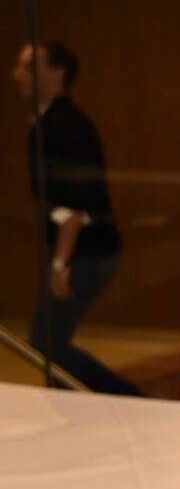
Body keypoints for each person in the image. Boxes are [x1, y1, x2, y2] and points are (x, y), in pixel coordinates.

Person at [12, 41, 141, 396]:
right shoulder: (52, 122)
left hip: (85, 252)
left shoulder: (63, 125)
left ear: (57, 73)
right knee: (48, 343)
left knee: (47, 344)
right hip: (82, 250)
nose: (17, 75)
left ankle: (128, 399)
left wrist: (59, 264)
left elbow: (73, 206)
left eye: (28, 67)